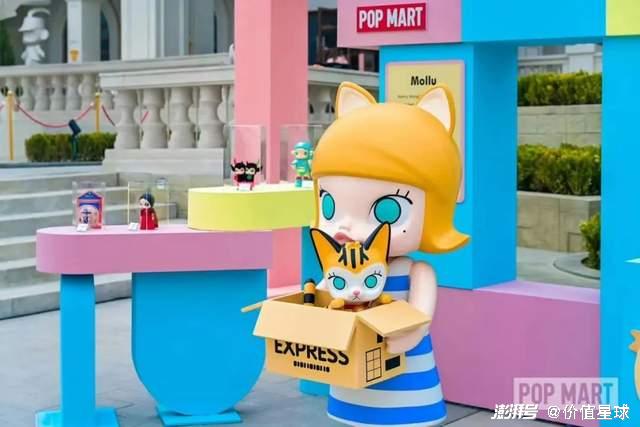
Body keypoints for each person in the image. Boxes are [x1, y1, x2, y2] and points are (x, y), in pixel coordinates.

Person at [312, 82, 470, 426]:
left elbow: (420, 317)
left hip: (406, 381)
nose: (346, 227)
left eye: (388, 211)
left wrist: (406, 333)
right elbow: (322, 298)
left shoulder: (416, 272)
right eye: (330, 205)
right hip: (352, 378)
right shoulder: (341, 264)